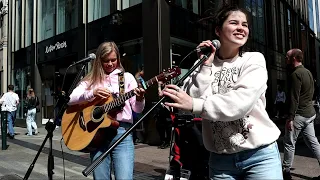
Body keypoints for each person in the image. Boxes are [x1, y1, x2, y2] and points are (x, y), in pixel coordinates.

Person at [161, 5, 283, 179]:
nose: (241, 28)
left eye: (245, 24)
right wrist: (205, 66)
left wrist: (195, 104)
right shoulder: (205, 64)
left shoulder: (254, 60)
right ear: (218, 30)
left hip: (259, 156)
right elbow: (190, 100)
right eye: (234, 23)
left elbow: (240, 103)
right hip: (220, 160)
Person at [68, 41, 145, 180]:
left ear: (118, 59)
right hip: (97, 134)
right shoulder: (92, 80)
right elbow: (71, 99)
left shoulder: (126, 78)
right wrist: (91, 93)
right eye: (106, 61)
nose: (110, 64)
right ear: (99, 61)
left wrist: (140, 99)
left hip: (122, 134)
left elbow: (137, 109)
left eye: (113, 60)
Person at [282, 48, 320, 180]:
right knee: (313, 143)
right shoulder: (308, 72)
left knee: (289, 143)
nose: (285, 59)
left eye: (287, 57)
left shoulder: (295, 74)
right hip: (309, 113)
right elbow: (312, 92)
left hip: (298, 115)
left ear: (293, 58)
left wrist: (290, 118)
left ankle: (286, 172)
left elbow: (294, 98)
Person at [155, 81, 172, 149]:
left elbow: (160, 94)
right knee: (160, 128)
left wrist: (159, 86)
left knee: (168, 129)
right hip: (161, 113)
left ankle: (167, 142)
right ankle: (163, 142)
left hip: (168, 113)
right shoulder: (163, 89)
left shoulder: (168, 89)